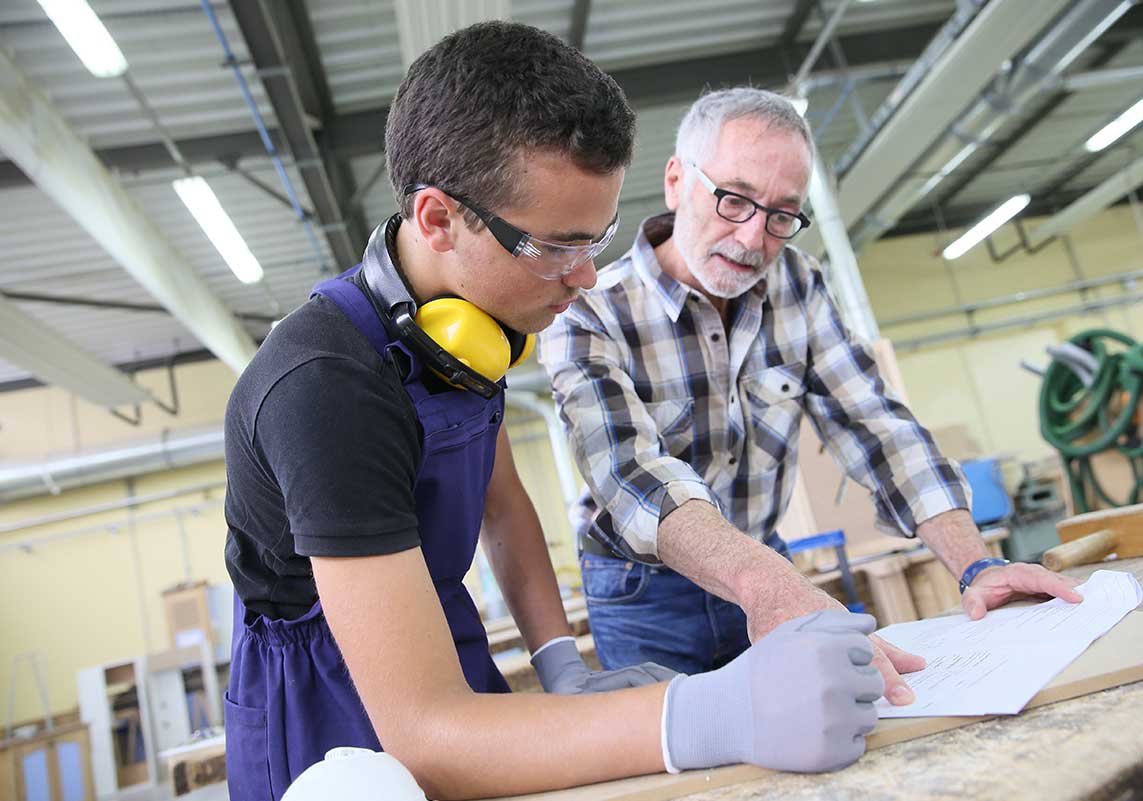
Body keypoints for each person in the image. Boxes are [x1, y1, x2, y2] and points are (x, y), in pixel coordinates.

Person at [223, 25, 885, 801]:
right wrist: (711, 710)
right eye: (556, 246)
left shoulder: (463, 329)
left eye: (598, 238)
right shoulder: (327, 388)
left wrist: (559, 663)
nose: (585, 278)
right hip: (330, 718)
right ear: (437, 218)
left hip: (441, 656)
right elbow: (429, 735)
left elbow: (501, 507)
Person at [539, 87, 1084, 706]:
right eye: (734, 200)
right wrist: (767, 584)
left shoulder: (797, 282)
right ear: (675, 181)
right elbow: (632, 474)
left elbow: (876, 427)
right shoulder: (586, 312)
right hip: (643, 591)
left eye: (782, 215)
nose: (753, 240)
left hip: (765, 558)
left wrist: (977, 565)